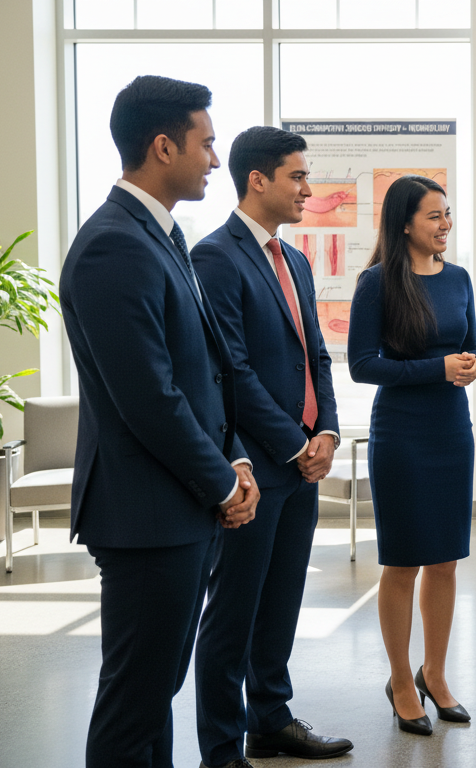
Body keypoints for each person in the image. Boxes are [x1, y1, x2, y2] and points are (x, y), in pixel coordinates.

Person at [59, 75, 260, 768]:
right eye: (206, 144)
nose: (215, 159)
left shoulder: (158, 235)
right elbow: (149, 397)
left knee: (153, 700)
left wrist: (234, 457)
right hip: (146, 515)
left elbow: (201, 374)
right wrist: (222, 483)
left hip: (177, 506)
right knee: (134, 707)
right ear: (163, 146)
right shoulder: (113, 246)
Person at [189, 126, 352, 765]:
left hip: (302, 465)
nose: (308, 189)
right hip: (254, 469)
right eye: (297, 176)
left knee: (281, 603)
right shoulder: (216, 257)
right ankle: (222, 747)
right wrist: (294, 444)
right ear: (258, 180)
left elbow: (317, 355)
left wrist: (327, 432)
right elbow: (230, 370)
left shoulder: (296, 260)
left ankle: (271, 720)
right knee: (233, 611)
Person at [347, 174, 476, 736]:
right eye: (434, 215)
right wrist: (438, 368)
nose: (445, 224)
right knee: (402, 561)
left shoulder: (459, 278)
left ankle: (436, 673)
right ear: (405, 223)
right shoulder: (376, 282)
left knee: (445, 561)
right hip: (401, 435)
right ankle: (402, 681)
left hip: (452, 431)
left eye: (447, 214)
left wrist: (471, 364)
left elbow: (472, 346)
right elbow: (362, 365)